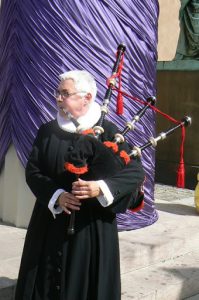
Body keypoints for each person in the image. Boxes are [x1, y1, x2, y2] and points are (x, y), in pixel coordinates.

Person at [15, 70, 144, 300]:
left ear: (87, 98)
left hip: (92, 229)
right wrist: (56, 195)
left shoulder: (110, 132)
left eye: (65, 93)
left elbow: (134, 173)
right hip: (50, 225)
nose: (58, 99)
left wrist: (101, 188)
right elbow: (33, 171)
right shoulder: (47, 131)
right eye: (58, 93)